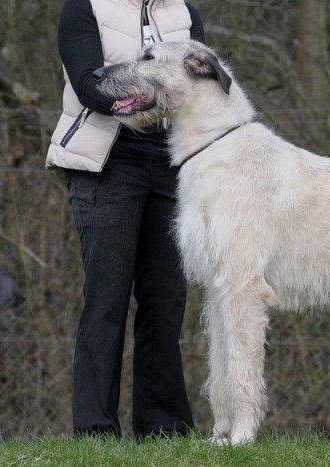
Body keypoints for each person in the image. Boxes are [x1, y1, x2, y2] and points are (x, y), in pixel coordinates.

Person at [46, 0, 205, 438]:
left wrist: (144, 93)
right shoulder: (84, 7)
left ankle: (165, 430)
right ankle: (95, 431)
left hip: (172, 166)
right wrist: (163, 94)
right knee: (106, 301)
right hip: (106, 163)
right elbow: (90, 88)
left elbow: (201, 88)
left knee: (167, 302)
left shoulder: (185, 12)